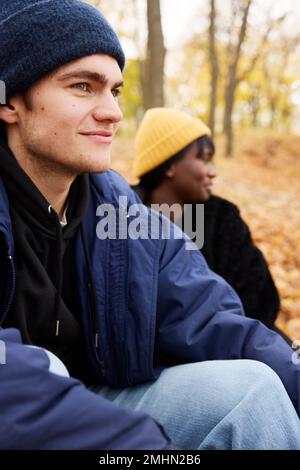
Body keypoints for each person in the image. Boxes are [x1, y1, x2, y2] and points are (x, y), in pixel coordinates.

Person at [0, 0, 300, 451]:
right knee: (45, 366)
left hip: (96, 403)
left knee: (252, 388)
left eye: (115, 92)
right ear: (10, 101)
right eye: (83, 86)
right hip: (26, 414)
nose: (112, 113)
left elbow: (209, 319)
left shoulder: (122, 214)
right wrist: (133, 444)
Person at [132, 107, 286, 337]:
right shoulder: (122, 218)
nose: (212, 172)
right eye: (203, 159)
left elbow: (260, 300)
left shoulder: (223, 219)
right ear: (170, 164)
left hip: (238, 346)